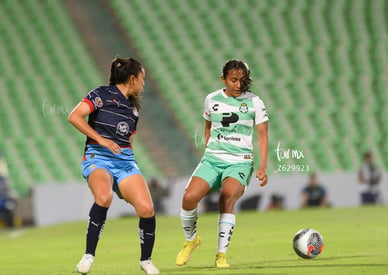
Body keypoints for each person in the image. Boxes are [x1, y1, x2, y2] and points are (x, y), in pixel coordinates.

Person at [68, 57, 159, 275]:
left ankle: (146, 261)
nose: (144, 84)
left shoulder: (134, 109)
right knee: (104, 197)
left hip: (125, 162)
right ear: (132, 79)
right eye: (142, 79)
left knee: (147, 209)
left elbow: (129, 140)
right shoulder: (100, 94)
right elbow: (74, 116)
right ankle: (88, 256)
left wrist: (129, 172)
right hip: (98, 158)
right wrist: (100, 139)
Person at [175, 60, 269, 268]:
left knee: (227, 198)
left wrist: (262, 167)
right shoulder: (211, 99)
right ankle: (191, 240)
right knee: (189, 197)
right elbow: (208, 126)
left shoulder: (255, 102)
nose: (238, 84)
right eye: (233, 80)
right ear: (223, 79)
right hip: (213, 159)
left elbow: (263, 137)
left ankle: (221, 255)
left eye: (242, 80)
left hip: (240, 161)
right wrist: (210, 145)